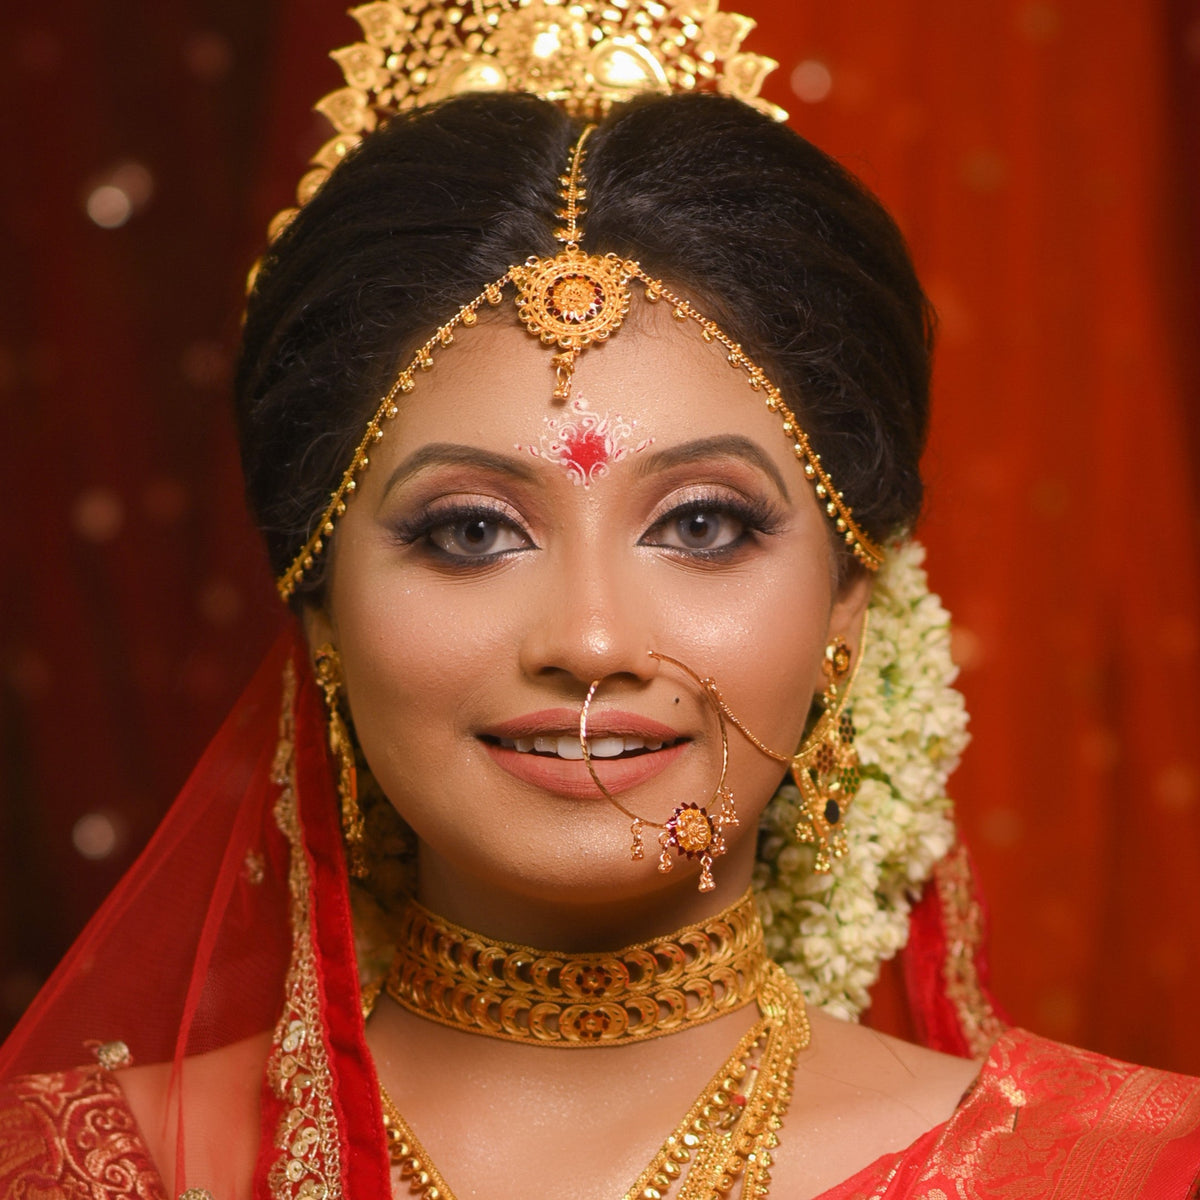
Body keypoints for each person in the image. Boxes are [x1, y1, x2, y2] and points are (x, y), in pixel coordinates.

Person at [2, 3, 1198, 1197]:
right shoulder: (77, 1171)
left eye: (701, 525)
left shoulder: (1123, 1172)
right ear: (319, 607)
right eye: (471, 532)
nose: (590, 641)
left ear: (849, 607)